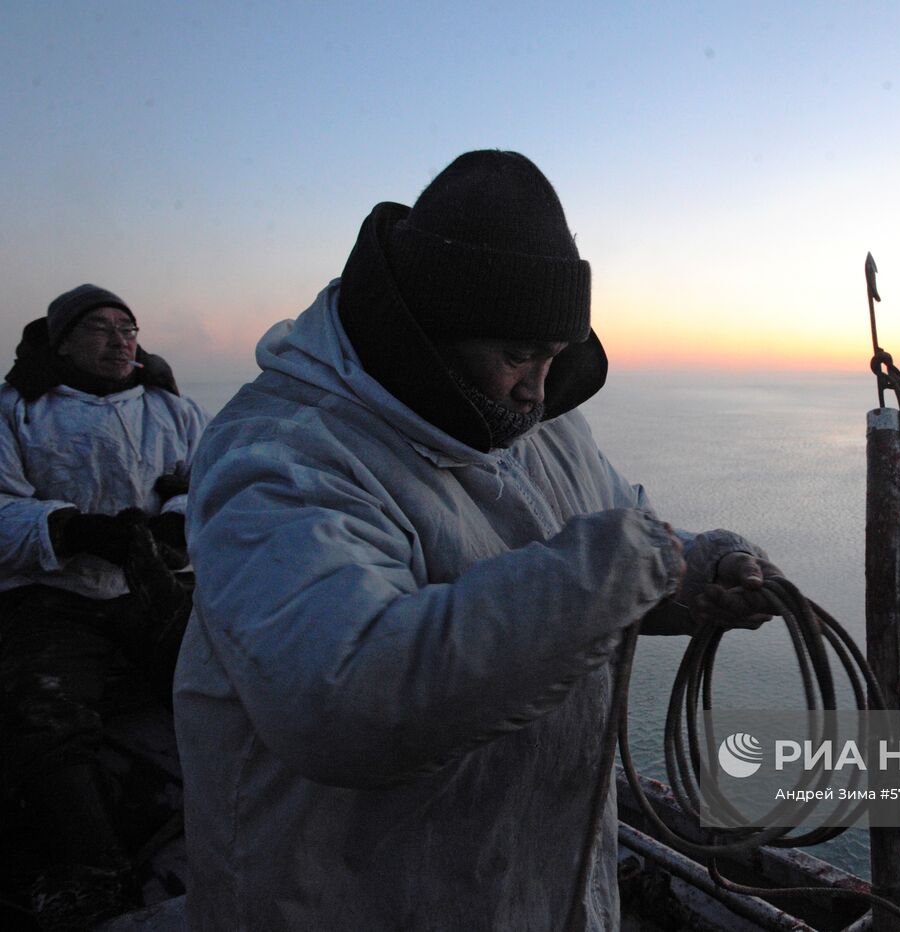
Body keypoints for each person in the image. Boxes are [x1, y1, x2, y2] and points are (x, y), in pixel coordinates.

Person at [175, 150, 780, 930]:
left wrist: (695, 570)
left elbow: (620, 527)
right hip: (352, 901)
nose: (536, 387)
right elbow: (345, 696)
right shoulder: (281, 455)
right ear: (423, 330)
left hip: (533, 888)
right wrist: (624, 568)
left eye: (554, 355)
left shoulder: (535, 423)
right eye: (517, 355)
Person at [0, 285, 207, 929]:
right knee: (46, 715)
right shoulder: (18, 411)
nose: (121, 340)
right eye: (101, 329)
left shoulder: (170, 408)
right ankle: (93, 869)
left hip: (151, 584)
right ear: (61, 341)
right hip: (52, 594)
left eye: (129, 328)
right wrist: (74, 531)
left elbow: (203, 479)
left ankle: (250, 815)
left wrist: (175, 524)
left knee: (215, 679)